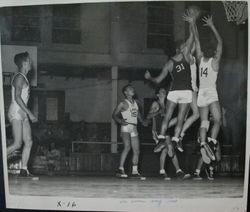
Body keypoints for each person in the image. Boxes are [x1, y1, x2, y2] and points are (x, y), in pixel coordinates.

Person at [144, 23, 195, 153]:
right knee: (175, 117)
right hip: (184, 92)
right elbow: (191, 37)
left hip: (176, 92)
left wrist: (150, 78)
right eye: (184, 46)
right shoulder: (185, 57)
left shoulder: (170, 63)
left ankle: (164, 140)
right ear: (179, 49)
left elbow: (158, 80)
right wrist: (192, 22)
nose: (186, 47)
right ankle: (173, 140)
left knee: (172, 117)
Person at [184, 13, 223, 179]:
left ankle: (202, 143)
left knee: (205, 121)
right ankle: (211, 144)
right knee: (218, 121)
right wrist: (213, 25)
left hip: (201, 94)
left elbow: (197, 40)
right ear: (214, 52)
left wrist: (193, 23)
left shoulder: (200, 59)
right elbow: (221, 43)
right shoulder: (215, 62)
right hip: (211, 92)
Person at [147, 87, 191, 180]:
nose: (164, 91)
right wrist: (158, 111)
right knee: (170, 148)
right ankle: (178, 171)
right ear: (158, 94)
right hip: (158, 131)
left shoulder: (168, 105)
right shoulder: (156, 104)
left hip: (165, 130)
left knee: (166, 150)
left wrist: (181, 118)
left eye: (164, 91)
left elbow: (168, 122)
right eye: (161, 91)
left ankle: (163, 172)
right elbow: (148, 116)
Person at [7, 52, 38, 177]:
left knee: (29, 141)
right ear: (24, 63)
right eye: (29, 61)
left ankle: (24, 169)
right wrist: (30, 114)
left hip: (22, 112)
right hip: (16, 111)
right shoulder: (19, 77)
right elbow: (18, 98)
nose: (31, 63)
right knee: (17, 143)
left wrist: (27, 114)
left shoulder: (24, 77)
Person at [112, 84, 147, 180]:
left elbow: (137, 113)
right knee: (127, 147)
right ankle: (120, 169)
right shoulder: (122, 103)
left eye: (133, 88)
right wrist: (120, 121)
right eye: (130, 89)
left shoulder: (136, 103)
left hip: (134, 127)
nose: (132, 89)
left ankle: (135, 172)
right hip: (126, 126)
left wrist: (142, 121)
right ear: (125, 92)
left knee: (137, 150)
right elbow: (114, 115)